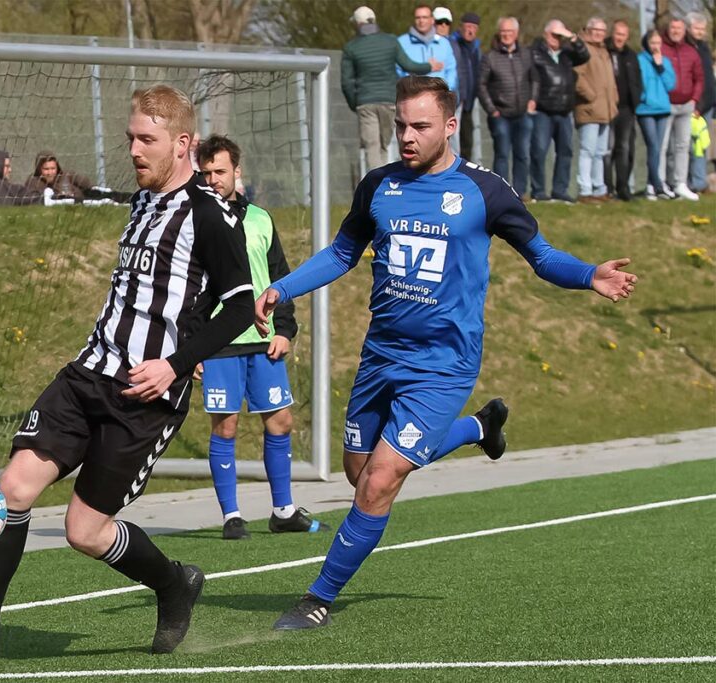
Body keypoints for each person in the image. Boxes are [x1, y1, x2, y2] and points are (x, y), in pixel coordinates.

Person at [253, 76, 637, 631]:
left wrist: (588, 275)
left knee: (380, 481)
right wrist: (283, 287)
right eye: (400, 125)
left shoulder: (485, 191)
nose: (405, 137)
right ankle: (480, 429)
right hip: (381, 356)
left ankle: (318, 597)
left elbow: (542, 254)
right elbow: (342, 252)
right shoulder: (378, 185)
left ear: (450, 126)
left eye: (419, 126)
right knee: (357, 474)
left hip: (444, 363)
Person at [0, 85, 255, 661]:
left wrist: (176, 363)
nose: (135, 151)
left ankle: (173, 585)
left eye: (148, 140)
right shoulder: (143, 200)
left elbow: (242, 307)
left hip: (145, 397)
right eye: (130, 139)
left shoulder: (211, 214)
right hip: (87, 372)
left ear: (183, 143)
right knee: (14, 488)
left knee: (85, 532)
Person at [195, 134, 325, 540]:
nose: (214, 179)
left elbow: (279, 277)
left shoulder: (261, 219)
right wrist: (189, 349)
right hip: (218, 343)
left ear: (237, 171)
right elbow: (188, 289)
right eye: (206, 173)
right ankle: (231, 516)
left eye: (220, 171)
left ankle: (283, 510)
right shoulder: (195, 220)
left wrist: (285, 329)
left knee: (281, 421)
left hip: (263, 338)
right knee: (226, 427)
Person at [342, 6, 441, 172]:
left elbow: (346, 82)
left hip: (365, 102)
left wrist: (355, 103)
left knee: (372, 146)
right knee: (383, 145)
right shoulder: (390, 41)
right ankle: (384, 181)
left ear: (358, 24)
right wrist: (429, 66)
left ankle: (377, 184)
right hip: (389, 100)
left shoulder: (351, 47)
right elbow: (409, 65)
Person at [477, 17, 538, 198]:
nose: (506, 35)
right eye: (503, 31)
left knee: (522, 154)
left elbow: (535, 78)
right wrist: (491, 109)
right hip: (500, 115)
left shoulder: (526, 54)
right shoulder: (490, 57)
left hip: (523, 114)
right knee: (502, 154)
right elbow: (481, 85)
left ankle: (520, 192)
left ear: (516, 34)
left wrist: (533, 100)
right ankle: (502, 193)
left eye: (509, 32)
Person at [529, 20, 589, 203]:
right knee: (539, 151)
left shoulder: (567, 55)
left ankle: (560, 190)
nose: (557, 39)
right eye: (554, 35)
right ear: (546, 34)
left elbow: (585, 55)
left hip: (564, 111)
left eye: (559, 36)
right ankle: (538, 190)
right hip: (543, 110)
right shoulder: (535, 53)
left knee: (565, 151)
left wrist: (571, 36)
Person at [573, 17, 618, 203]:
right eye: (596, 30)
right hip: (589, 110)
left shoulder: (604, 51)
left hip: (606, 111)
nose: (600, 34)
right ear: (589, 29)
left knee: (600, 153)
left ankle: (599, 188)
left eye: (603, 30)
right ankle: (585, 189)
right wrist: (591, 96)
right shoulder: (583, 50)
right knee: (587, 151)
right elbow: (577, 77)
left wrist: (613, 100)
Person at [397, 4, 458, 138]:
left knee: (446, 140)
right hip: (413, 101)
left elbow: (451, 69)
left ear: (431, 20)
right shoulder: (402, 42)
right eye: (418, 17)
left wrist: (445, 91)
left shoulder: (444, 43)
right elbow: (398, 70)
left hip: (439, 101)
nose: (421, 20)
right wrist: (409, 89)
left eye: (425, 17)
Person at [660, 18, 703, 201]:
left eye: (679, 28)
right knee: (662, 146)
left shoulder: (691, 51)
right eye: (673, 27)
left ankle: (680, 184)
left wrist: (694, 99)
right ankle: (660, 183)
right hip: (665, 105)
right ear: (668, 29)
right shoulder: (660, 48)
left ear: (684, 31)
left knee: (683, 146)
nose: (676, 31)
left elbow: (699, 78)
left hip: (687, 105)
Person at [603, 20, 643, 202]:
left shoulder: (631, 55)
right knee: (608, 150)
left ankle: (623, 188)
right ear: (613, 33)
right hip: (607, 108)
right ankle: (607, 188)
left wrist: (636, 100)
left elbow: (637, 80)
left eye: (623, 35)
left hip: (627, 109)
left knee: (625, 149)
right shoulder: (604, 51)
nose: (620, 38)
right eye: (617, 34)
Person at [637, 29, 678, 200]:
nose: (656, 47)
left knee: (658, 148)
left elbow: (671, 85)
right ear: (647, 43)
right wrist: (645, 97)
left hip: (662, 109)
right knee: (653, 145)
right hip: (646, 109)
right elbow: (639, 84)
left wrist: (660, 66)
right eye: (653, 43)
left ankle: (650, 185)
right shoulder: (639, 60)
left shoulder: (665, 61)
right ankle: (657, 185)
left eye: (658, 43)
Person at [686, 12, 713, 194]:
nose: (700, 32)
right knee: (689, 145)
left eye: (702, 29)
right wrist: (696, 104)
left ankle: (700, 180)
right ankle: (690, 182)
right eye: (697, 28)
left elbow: (707, 77)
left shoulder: (704, 47)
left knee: (702, 145)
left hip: (708, 104)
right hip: (694, 104)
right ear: (688, 28)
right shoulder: (687, 49)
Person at [433, 7, 466, 155]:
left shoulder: (455, 44)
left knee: (453, 137)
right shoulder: (430, 44)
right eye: (439, 22)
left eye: (447, 22)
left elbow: (459, 71)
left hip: (454, 98)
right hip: (434, 99)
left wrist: (460, 95)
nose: (443, 26)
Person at [452, 12, 482, 160]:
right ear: (461, 27)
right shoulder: (454, 44)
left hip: (469, 102)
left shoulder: (476, 48)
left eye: (474, 27)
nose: (470, 30)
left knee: (467, 143)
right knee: (454, 142)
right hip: (456, 101)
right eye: (468, 26)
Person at [25, 150, 94, 202]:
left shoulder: (66, 175)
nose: (50, 172)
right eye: (46, 169)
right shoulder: (33, 181)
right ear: (39, 169)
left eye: (53, 168)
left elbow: (88, 184)